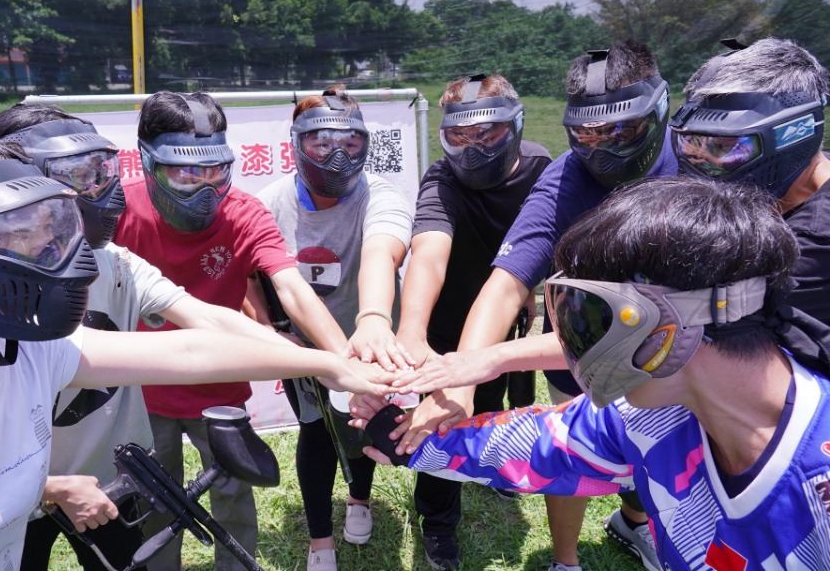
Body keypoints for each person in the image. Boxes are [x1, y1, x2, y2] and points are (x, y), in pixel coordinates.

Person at [0, 130, 399, 571]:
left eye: (53, 233)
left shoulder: (30, 350)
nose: (61, 261)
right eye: (17, 238)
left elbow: (193, 351)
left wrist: (332, 366)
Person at [365, 175, 830, 571]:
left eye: (592, 316)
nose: (571, 345)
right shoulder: (651, 418)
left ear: (667, 326)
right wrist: (395, 433)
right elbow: (535, 447)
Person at [381, 40, 673, 571]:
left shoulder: (701, 164)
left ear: (659, 111)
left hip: (684, 350)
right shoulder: (564, 175)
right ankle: (562, 560)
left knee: (662, 456)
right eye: (585, 133)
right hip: (575, 340)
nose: (601, 147)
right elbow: (498, 276)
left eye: (620, 130)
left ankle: (634, 521)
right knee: (572, 438)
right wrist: (457, 375)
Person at [0, 104, 300, 571]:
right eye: (75, 177)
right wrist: (48, 487)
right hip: (22, 487)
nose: (98, 195)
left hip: (109, 466)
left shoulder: (116, 262)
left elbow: (208, 323)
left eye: (100, 172)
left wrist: (325, 361)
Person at [113, 91, 356, 571]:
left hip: (218, 388)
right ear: (146, 163)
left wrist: (344, 364)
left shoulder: (244, 213)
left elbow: (293, 290)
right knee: (153, 504)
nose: (202, 188)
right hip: (141, 389)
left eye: (214, 172)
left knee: (232, 491)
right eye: (183, 173)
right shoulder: (121, 211)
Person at [389, 74, 551, 570]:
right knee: (440, 417)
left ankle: (494, 466)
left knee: (493, 402)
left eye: (489, 134)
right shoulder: (442, 178)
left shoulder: (545, 168)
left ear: (516, 125)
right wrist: (411, 332)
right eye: (461, 136)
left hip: (504, 320)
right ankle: (437, 526)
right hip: (446, 318)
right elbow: (429, 254)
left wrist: (534, 292)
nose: (474, 148)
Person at [253, 87, 413, 571]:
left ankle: (359, 500)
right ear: (296, 144)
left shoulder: (379, 194)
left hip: (370, 337)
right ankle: (320, 538)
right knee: (315, 432)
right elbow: (249, 275)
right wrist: (269, 333)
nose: (336, 156)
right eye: (322, 143)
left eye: (350, 143)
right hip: (305, 345)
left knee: (363, 419)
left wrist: (373, 321)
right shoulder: (270, 203)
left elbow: (382, 250)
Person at [671, 36, 830, 324]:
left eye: (723, 146)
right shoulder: (790, 190)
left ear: (794, 133)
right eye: (693, 142)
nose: (700, 160)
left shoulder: (812, 245)